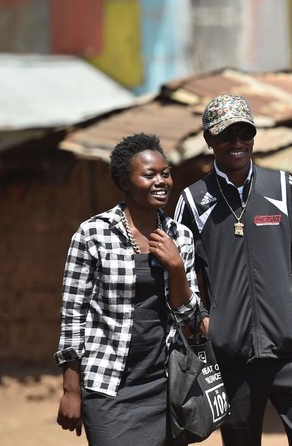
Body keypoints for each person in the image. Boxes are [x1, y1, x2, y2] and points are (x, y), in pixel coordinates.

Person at [174, 94, 292, 446]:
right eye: (227, 134)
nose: (237, 142)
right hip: (232, 361)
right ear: (209, 140)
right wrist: (204, 321)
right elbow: (179, 271)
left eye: (245, 132)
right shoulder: (193, 200)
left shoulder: (282, 187)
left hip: (288, 351)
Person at [55, 133, 201, 445]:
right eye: (149, 175)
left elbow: (189, 317)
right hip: (108, 385)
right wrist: (71, 389)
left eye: (165, 173)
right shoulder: (93, 234)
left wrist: (176, 267)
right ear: (125, 181)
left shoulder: (181, 236)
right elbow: (73, 315)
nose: (161, 181)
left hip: (165, 384)